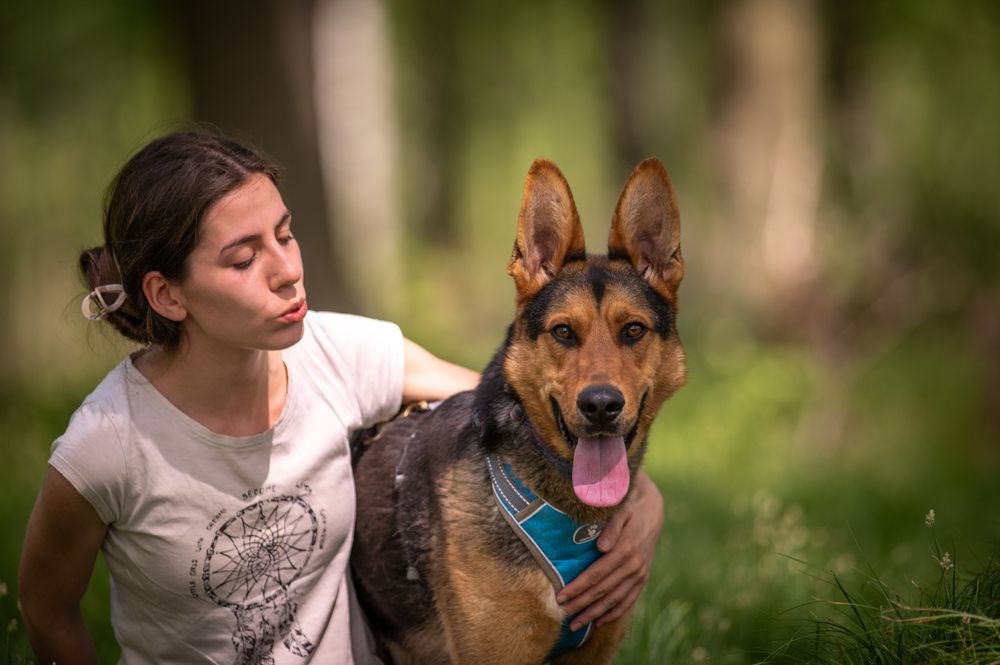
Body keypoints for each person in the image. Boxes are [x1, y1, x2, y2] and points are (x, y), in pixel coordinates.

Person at [18, 130, 664, 664]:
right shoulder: (107, 443)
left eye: (285, 233)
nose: (286, 268)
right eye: (244, 258)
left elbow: (519, 407)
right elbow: (46, 610)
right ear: (167, 294)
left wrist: (643, 494)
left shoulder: (335, 353)